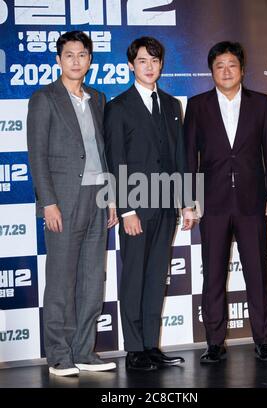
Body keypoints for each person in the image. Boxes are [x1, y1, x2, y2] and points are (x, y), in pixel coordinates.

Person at [184, 41, 267, 363]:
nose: (225, 71)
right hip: (211, 204)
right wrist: (188, 200)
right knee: (212, 274)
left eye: (231, 65)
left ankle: (263, 341)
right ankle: (214, 342)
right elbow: (188, 159)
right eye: (219, 66)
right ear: (211, 71)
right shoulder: (197, 105)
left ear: (242, 69)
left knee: (257, 272)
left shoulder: (261, 104)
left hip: (252, 202)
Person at [27, 31, 118, 377]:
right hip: (63, 202)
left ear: (90, 60)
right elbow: (37, 156)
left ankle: (84, 351)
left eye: (82, 55)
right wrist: (47, 203)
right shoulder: (44, 98)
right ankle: (59, 355)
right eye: (69, 55)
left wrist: (110, 198)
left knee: (92, 281)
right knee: (62, 282)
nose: (76, 61)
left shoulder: (98, 97)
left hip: (97, 197)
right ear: (58, 60)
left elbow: (104, 152)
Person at [104, 36, 194, 371]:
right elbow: (114, 160)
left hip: (167, 206)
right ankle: (133, 349)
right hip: (136, 209)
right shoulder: (118, 106)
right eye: (143, 61)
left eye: (155, 61)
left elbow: (180, 156)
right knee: (134, 278)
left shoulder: (172, 105)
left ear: (161, 64)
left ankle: (150, 346)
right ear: (131, 65)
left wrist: (186, 203)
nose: (149, 67)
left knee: (156, 277)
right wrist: (126, 209)